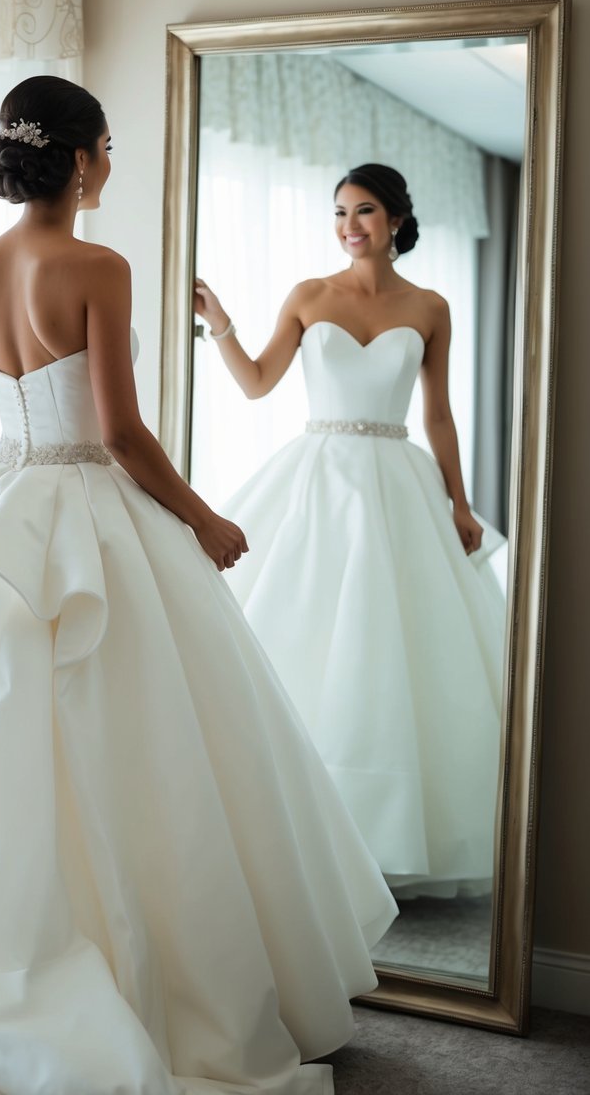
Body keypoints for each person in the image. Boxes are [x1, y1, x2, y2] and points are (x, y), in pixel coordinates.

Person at [0, 81, 397, 1095]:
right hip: (97, 517)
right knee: (147, 746)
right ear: (86, 158)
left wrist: (10, 484)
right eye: (107, 147)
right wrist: (205, 518)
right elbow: (118, 433)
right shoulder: (98, 264)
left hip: (5, 507)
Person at [195, 163, 506, 901]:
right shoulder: (308, 295)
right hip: (318, 479)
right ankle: (298, 840)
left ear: (395, 218)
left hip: (398, 481)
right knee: (303, 639)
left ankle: (386, 842)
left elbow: (436, 414)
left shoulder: (429, 307)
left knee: (394, 653)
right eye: (337, 212)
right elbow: (256, 381)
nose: (347, 226)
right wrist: (220, 323)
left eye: (363, 211)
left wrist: (459, 502)